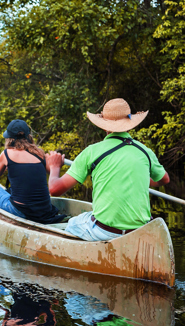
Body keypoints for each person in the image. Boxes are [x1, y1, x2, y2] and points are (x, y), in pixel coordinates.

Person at [46, 98, 170, 241]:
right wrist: (135, 179)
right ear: (130, 125)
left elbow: (54, 189)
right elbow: (163, 179)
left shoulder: (92, 152)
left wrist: (55, 167)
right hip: (139, 232)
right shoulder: (145, 151)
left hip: (105, 233)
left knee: (73, 223)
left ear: (104, 126)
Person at [0, 119, 66, 224]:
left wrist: (7, 165)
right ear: (28, 137)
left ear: (9, 139)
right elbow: (50, 170)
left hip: (21, 211)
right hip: (44, 211)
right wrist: (55, 162)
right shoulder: (39, 154)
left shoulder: (6, 154)